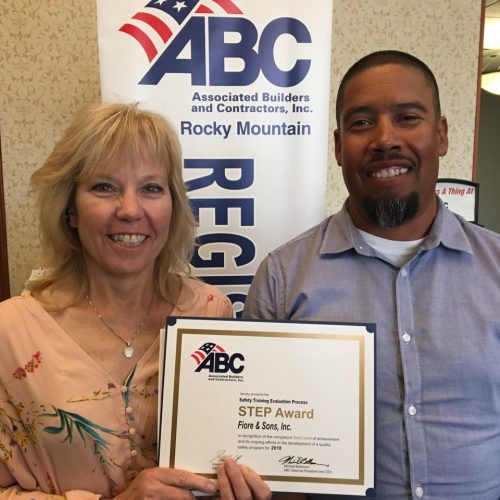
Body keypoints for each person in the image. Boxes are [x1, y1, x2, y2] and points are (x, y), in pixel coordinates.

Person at [243, 51, 500, 498]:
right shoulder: (283, 278)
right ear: (339, 146)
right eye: (362, 123)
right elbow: (252, 443)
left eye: (407, 118)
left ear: (440, 135)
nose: (385, 139)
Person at [0, 103, 271, 500]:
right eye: (104, 187)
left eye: (151, 188)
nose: (129, 210)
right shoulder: (10, 334)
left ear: (173, 205)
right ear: (70, 209)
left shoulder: (211, 310)